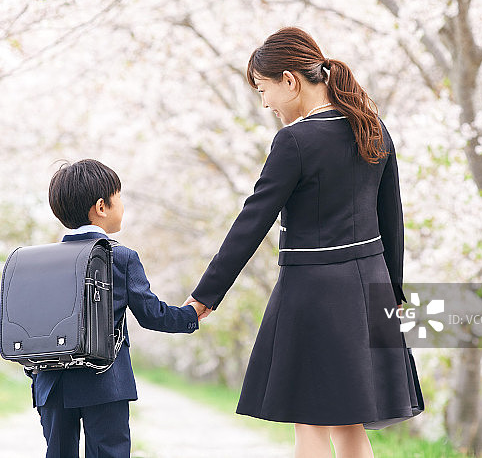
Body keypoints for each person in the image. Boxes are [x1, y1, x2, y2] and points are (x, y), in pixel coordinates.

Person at [185, 27, 424, 458]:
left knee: (310, 423)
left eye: (264, 89)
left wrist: (206, 297)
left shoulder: (295, 141)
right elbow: (393, 220)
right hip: (372, 288)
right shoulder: (372, 127)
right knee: (351, 425)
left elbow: (251, 223)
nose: (265, 103)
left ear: (290, 80)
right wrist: (395, 295)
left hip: (314, 292)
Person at [32, 159, 206, 458]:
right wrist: (191, 314)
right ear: (102, 206)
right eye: (119, 197)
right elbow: (152, 314)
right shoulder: (120, 257)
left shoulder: (40, 261)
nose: (122, 205)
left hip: (52, 384)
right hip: (105, 382)